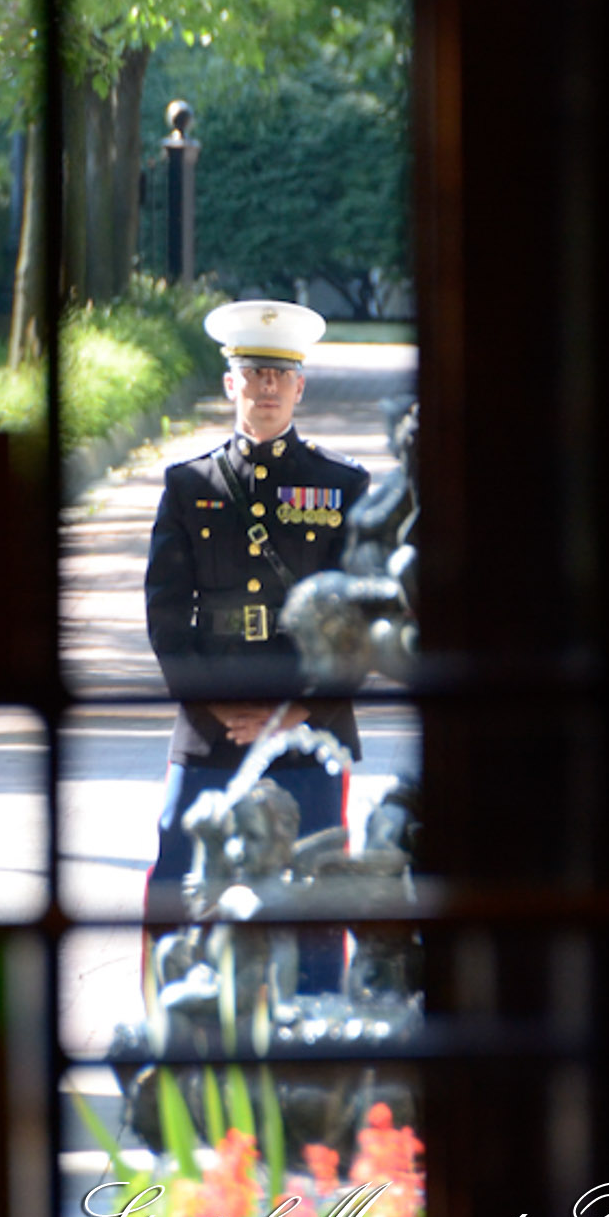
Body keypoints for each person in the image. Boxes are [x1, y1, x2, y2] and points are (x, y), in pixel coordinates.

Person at [144, 299, 370, 986]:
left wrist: (297, 713)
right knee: (179, 883)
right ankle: (172, 1038)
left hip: (307, 733)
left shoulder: (343, 486)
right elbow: (164, 614)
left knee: (316, 895)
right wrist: (217, 708)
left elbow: (360, 618)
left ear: (300, 387)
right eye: (253, 373)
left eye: (280, 375)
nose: (266, 387)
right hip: (210, 732)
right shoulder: (189, 486)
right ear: (230, 386)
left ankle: (315, 1048)